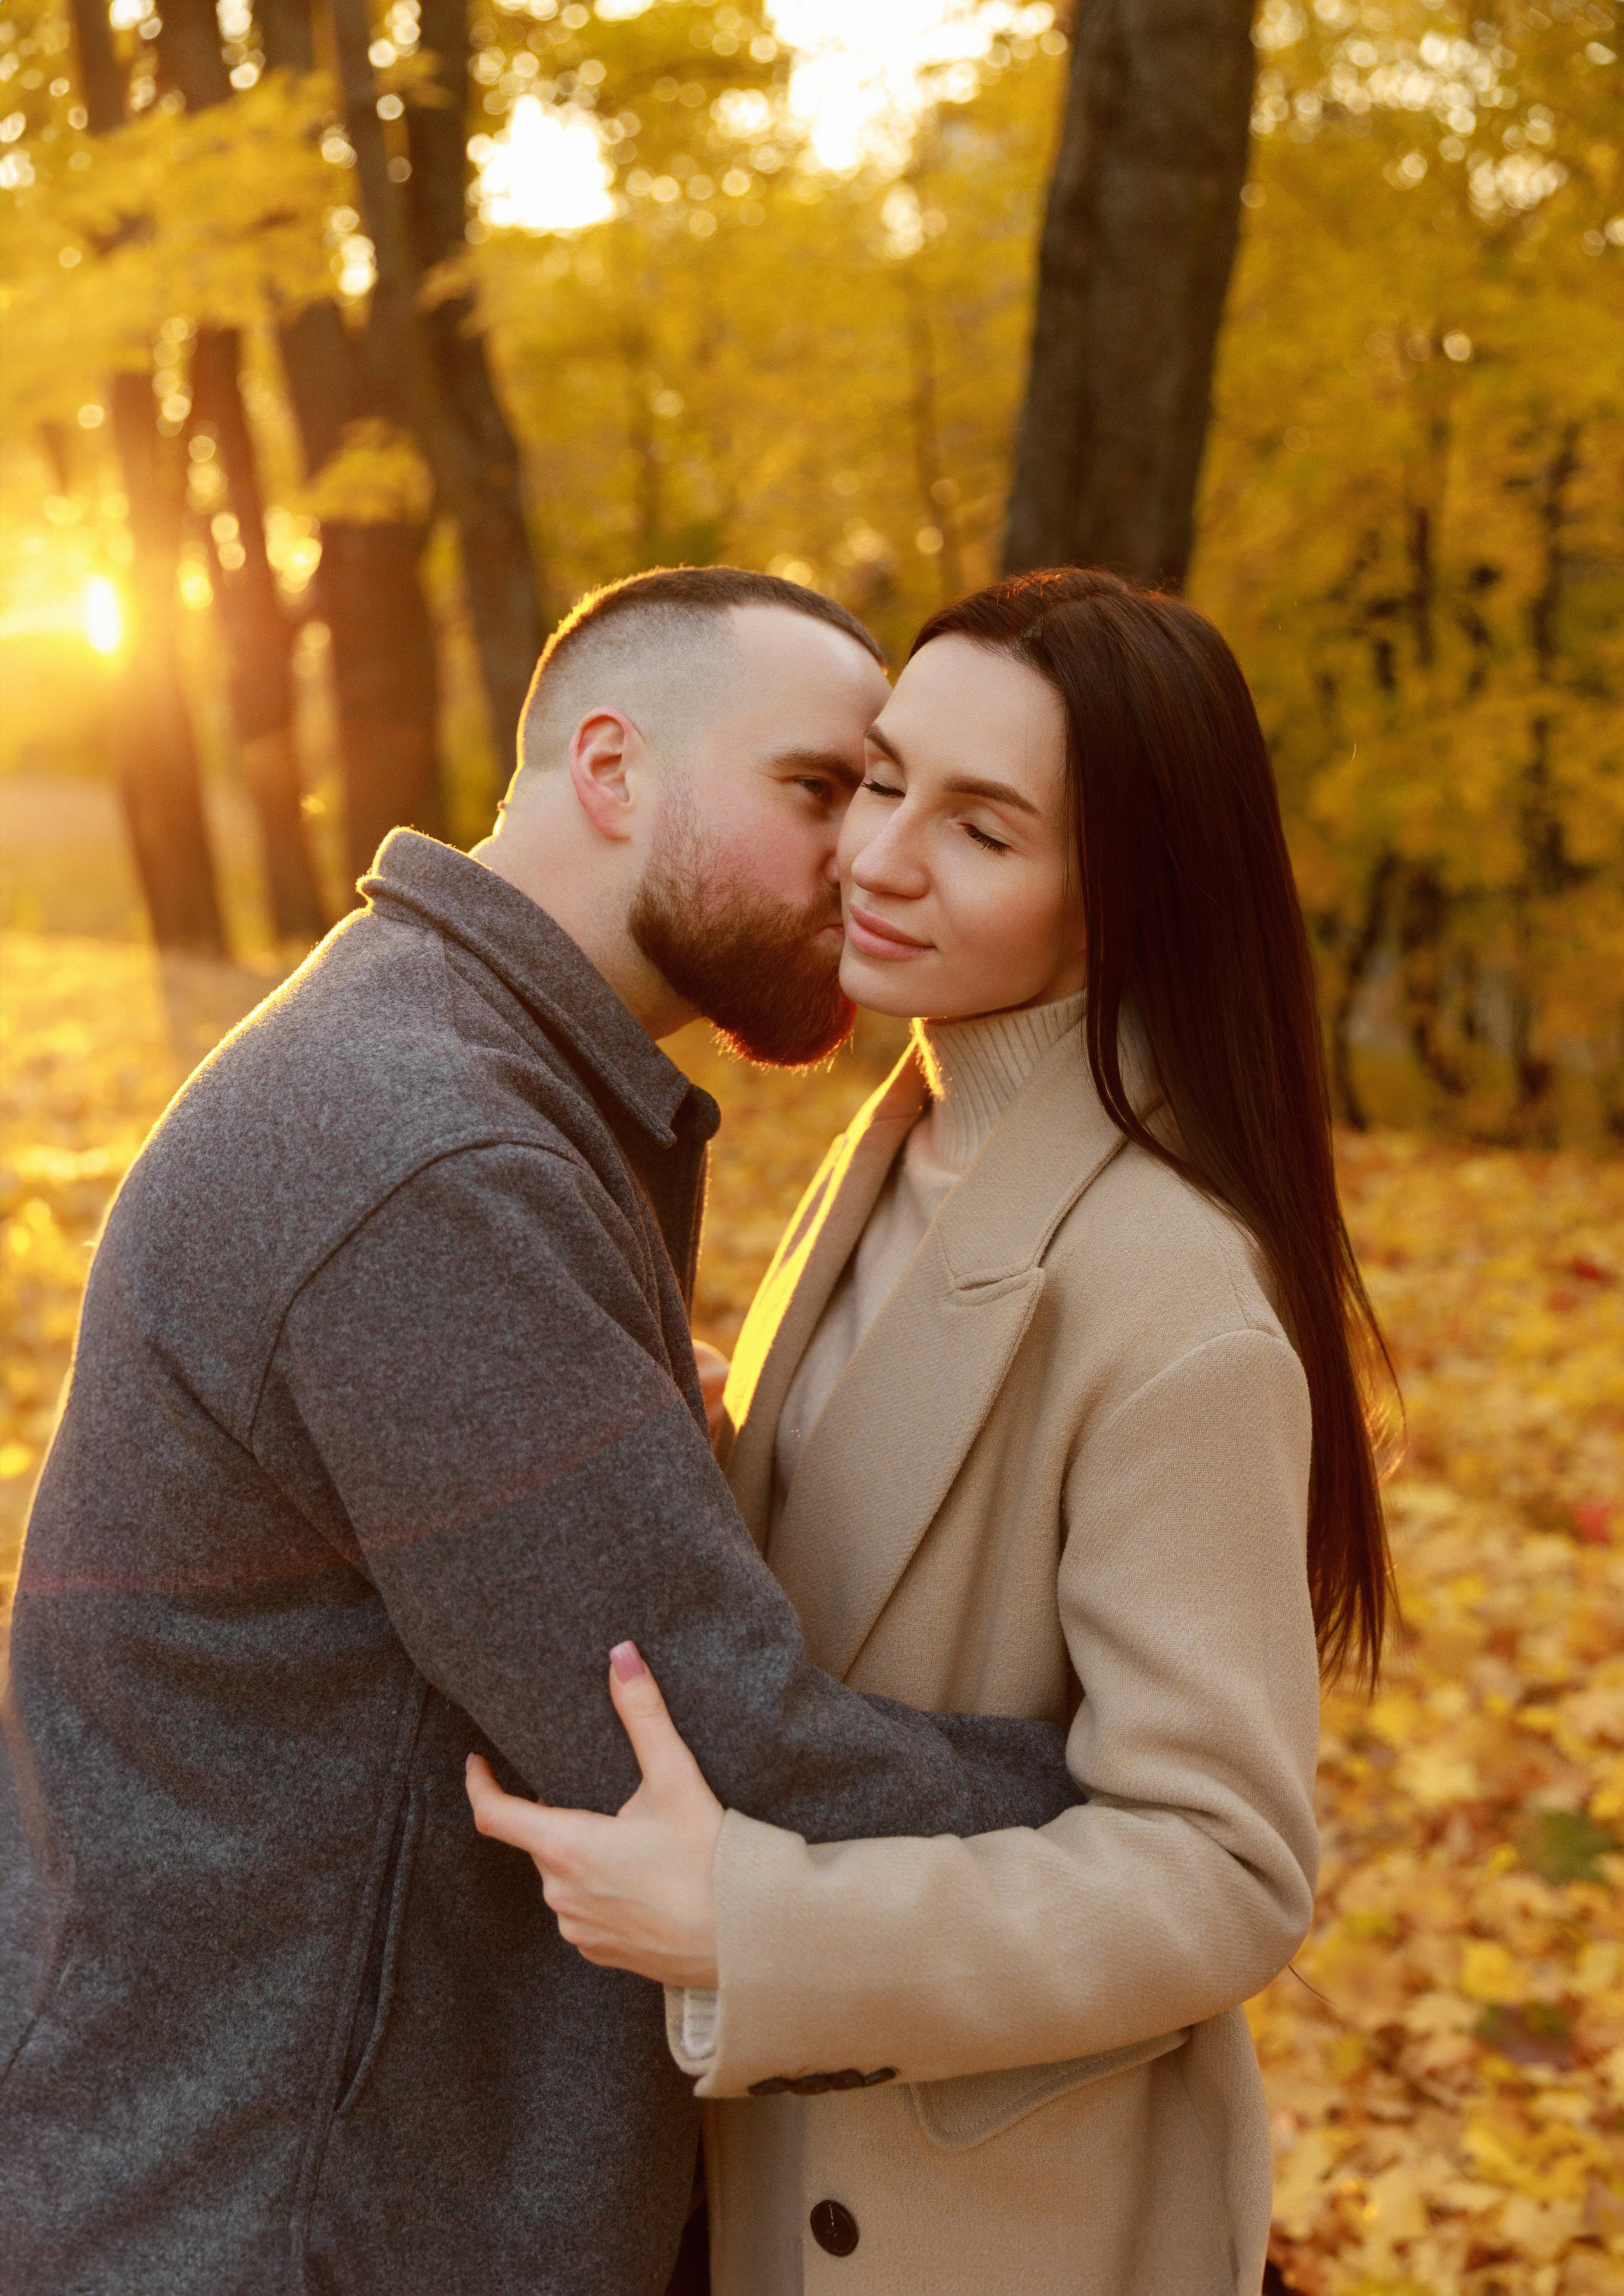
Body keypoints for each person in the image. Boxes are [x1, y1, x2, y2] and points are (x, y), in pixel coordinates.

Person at [0, 568, 1082, 2296]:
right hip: (288, 2216)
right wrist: (1134, 1819)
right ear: (610, 768)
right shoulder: (431, 1157)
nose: (867, 860)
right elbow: (711, 1746)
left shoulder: (457, 1061)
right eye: (821, 786)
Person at [466, 567, 1395, 2295]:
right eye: (884, 778)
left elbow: (1225, 1868)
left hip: (983, 2218)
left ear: (1121, 898)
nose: (882, 856)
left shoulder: (1167, 1292)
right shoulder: (907, 1122)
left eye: (984, 827)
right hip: (765, 2177)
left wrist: (762, 1927)